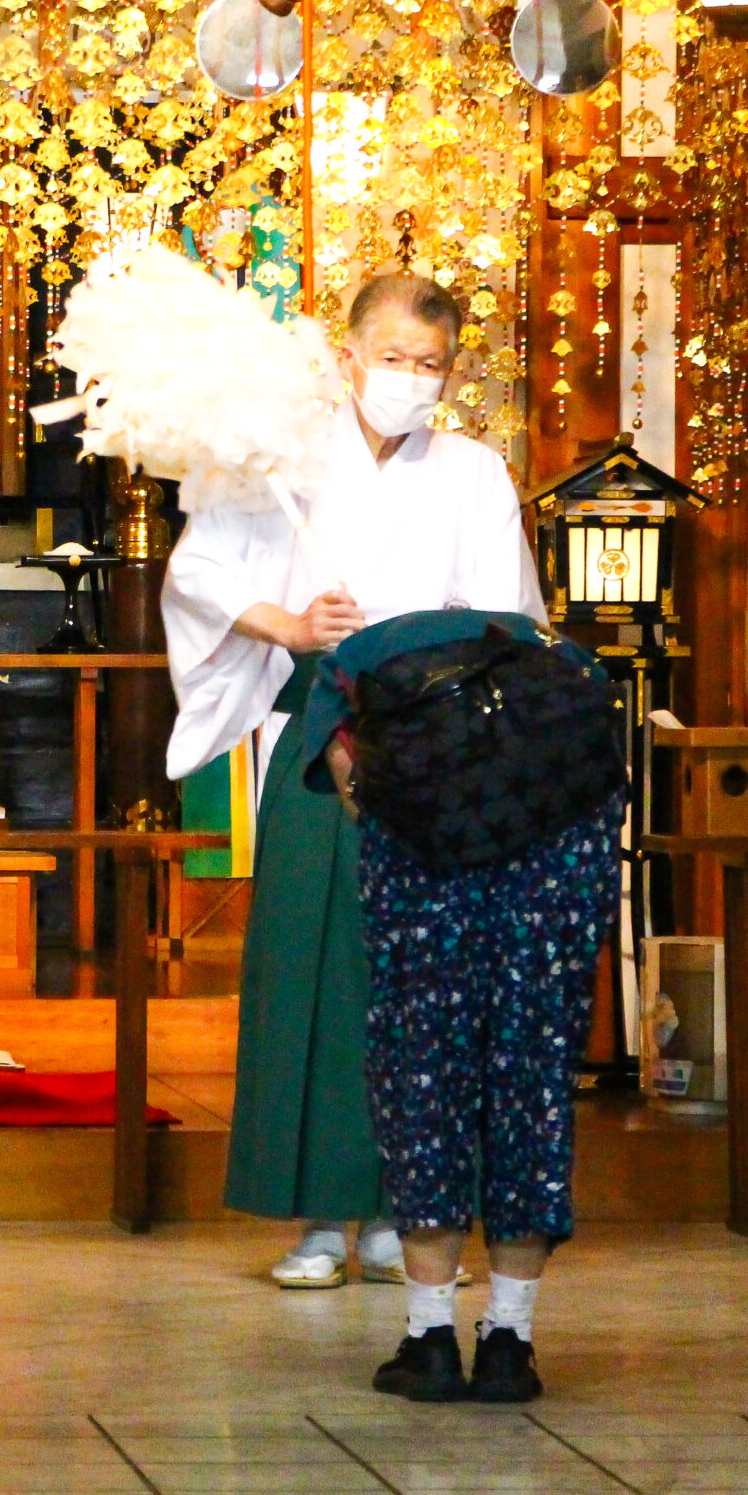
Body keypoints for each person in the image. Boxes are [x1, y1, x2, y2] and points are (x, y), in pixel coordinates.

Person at [161, 274, 544, 1288]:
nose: (409, 381)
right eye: (392, 359)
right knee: (311, 974)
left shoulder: (472, 473)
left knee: (422, 983)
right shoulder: (278, 457)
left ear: (450, 370)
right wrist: (287, 621)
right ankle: (320, 1220)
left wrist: (431, 659)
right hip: (314, 737)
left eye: (430, 365)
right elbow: (196, 574)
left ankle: (406, 1212)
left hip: (430, 747)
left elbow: (508, 612)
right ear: (346, 357)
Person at [302, 608, 622, 1403]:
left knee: (425, 1081)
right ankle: (510, 1343)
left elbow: (349, 779)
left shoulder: (354, 661)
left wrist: (382, 806)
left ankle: (430, 1340)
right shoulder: (565, 661)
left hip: (426, 880)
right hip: (558, 867)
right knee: (531, 1087)